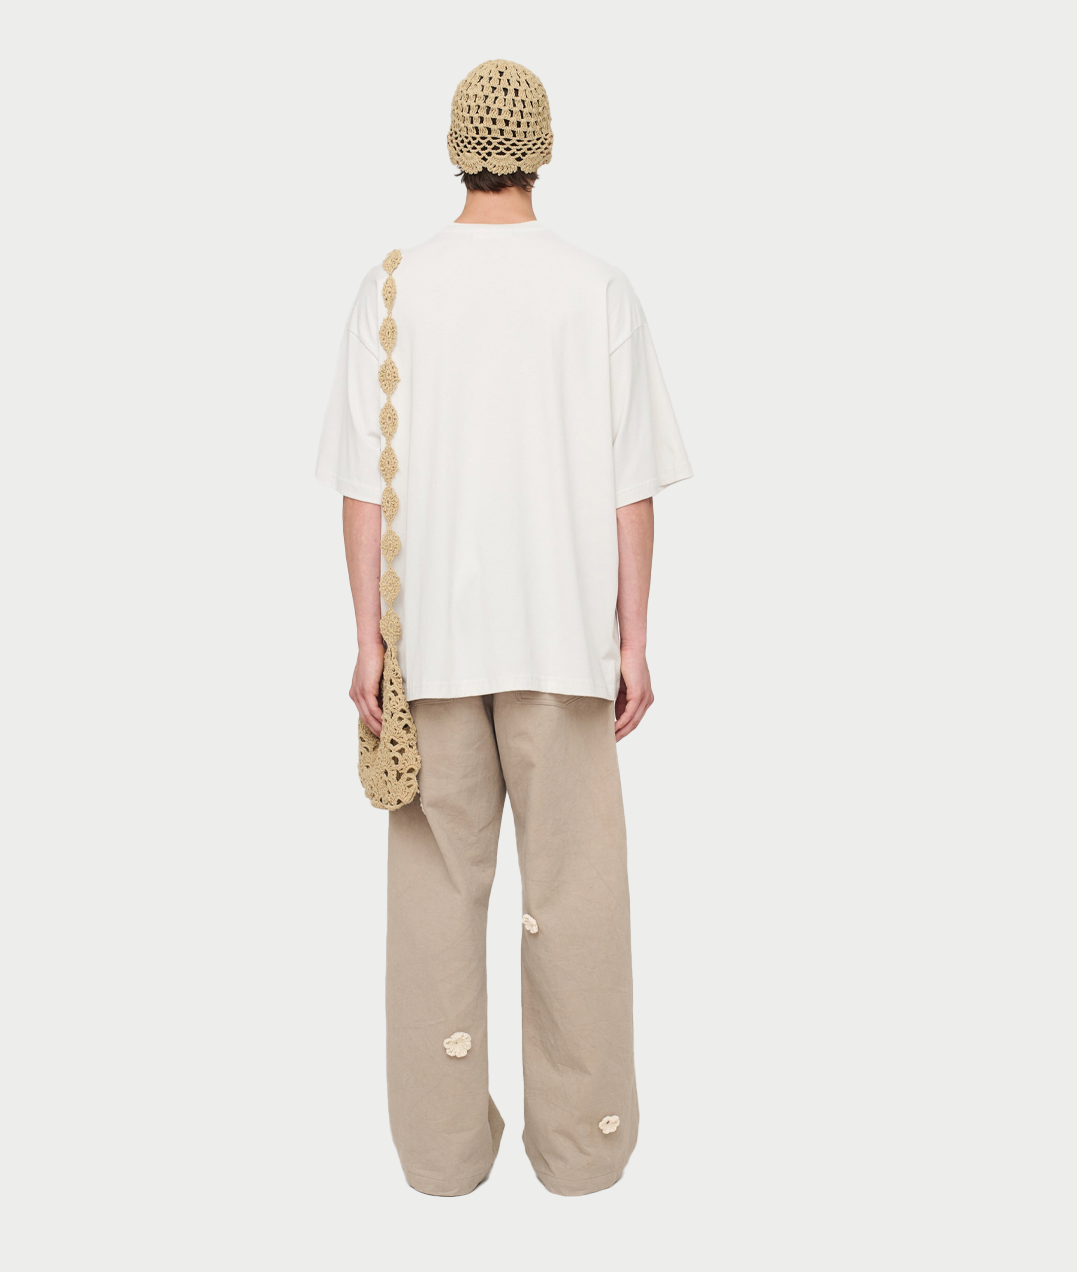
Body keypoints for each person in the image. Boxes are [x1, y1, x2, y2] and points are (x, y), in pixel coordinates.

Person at [317, 59, 691, 1197]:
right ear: (542, 149)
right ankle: (585, 1152)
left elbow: (361, 491)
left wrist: (370, 642)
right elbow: (631, 487)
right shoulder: (597, 290)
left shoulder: (390, 288)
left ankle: (439, 1159)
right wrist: (633, 637)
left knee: (435, 903)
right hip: (561, 643)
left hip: (429, 643)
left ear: (455, 149)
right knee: (576, 900)